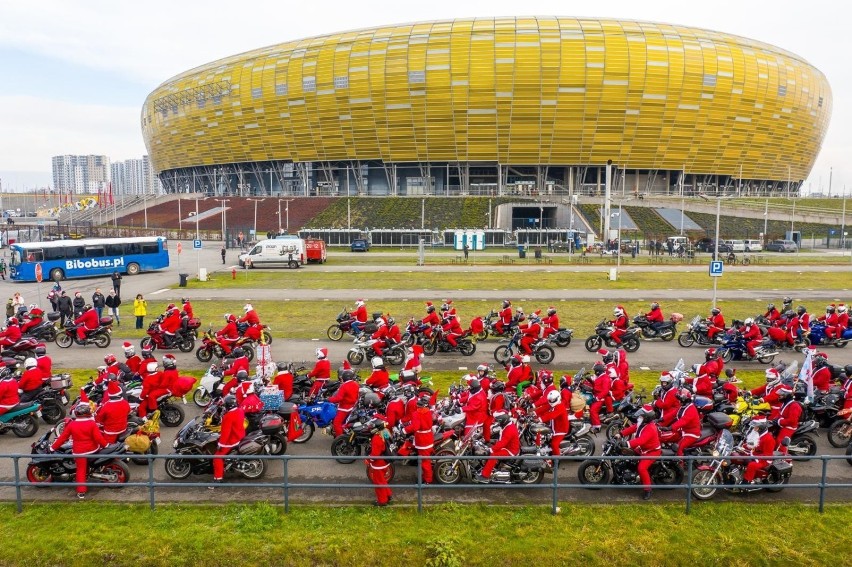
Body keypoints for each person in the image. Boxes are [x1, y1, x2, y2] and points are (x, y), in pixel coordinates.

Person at [50, 404, 108, 498]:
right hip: (92, 450)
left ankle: (81, 492)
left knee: (80, 470)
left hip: (79, 452)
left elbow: (63, 438)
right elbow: (98, 438)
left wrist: (52, 448)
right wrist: (106, 445)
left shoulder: (72, 424)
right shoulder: (91, 423)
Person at [620, 404, 661, 500]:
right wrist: (620, 434)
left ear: (647, 417)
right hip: (643, 449)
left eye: (641, 416)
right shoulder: (643, 424)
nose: (639, 417)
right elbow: (633, 428)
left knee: (642, 468)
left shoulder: (650, 428)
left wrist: (627, 443)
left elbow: (641, 440)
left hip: (651, 451)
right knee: (628, 454)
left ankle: (648, 489)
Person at [210, 395, 246, 488]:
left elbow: (226, 433)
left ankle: (218, 479)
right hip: (240, 435)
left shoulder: (228, 416)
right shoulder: (240, 410)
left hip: (232, 440)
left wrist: (220, 444)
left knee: (217, 457)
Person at [476, 412, 519, 482]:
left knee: (494, 455)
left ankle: (485, 475)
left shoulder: (509, 429)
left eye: (499, 421)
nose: (498, 423)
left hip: (510, 450)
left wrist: (491, 449)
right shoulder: (508, 425)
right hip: (507, 446)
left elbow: (503, 443)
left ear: (503, 421)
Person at [404, 397, 434, 484]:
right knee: (425, 460)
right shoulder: (428, 411)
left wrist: (405, 430)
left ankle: (428, 480)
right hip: (428, 436)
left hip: (422, 439)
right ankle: (425, 477)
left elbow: (415, 426)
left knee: (425, 462)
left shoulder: (416, 414)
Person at [663, 388, 701, 456]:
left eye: (680, 399)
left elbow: (683, 421)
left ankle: (680, 464)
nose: (679, 401)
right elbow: (673, 413)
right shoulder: (683, 406)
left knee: (678, 447)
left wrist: (670, 427)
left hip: (691, 433)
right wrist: (660, 419)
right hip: (683, 431)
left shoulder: (691, 409)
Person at [366, 418, 393, 506]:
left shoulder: (377, 438)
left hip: (378, 464)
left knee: (378, 483)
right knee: (383, 481)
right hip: (385, 462)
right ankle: (388, 495)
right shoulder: (385, 433)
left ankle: (382, 501)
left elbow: (375, 454)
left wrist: (369, 459)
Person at [742, 417, 776, 485]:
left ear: (761, 428)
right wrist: (743, 446)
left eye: (756, 427)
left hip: (763, 460)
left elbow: (767, 455)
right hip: (754, 454)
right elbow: (752, 444)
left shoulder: (769, 439)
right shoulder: (757, 434)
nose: (754, 428)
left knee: (752, 465)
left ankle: (746, 482)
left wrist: (753, 457)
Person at [538, 389, 569, 462]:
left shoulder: (560, 406)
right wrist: (534, 412)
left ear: (558, 398)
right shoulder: (553, 404)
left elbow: (552, 415)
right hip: (553, 426)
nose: (551, 401)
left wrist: (540, 419)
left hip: (560, 429)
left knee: (554, 444)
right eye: (550, 400)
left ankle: (556, 461)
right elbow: (544, 408)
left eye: (553, 400)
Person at [328, 366, 359, 436]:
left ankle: (340, 439)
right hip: (353, 407)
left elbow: (338, 398)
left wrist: (329, 399)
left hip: (344, 408)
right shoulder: (356, 384)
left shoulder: (344, 386)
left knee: (336, 423)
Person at [589, 363, 611, 432]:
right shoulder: (601, 376)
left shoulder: (605, 378)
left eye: (595, 371)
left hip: (601, 398)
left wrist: (597, 398)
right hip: (596, 395)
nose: (594, 372)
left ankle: (597, 427)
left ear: (598, 371)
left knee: (593, 410)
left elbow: (605, 391)